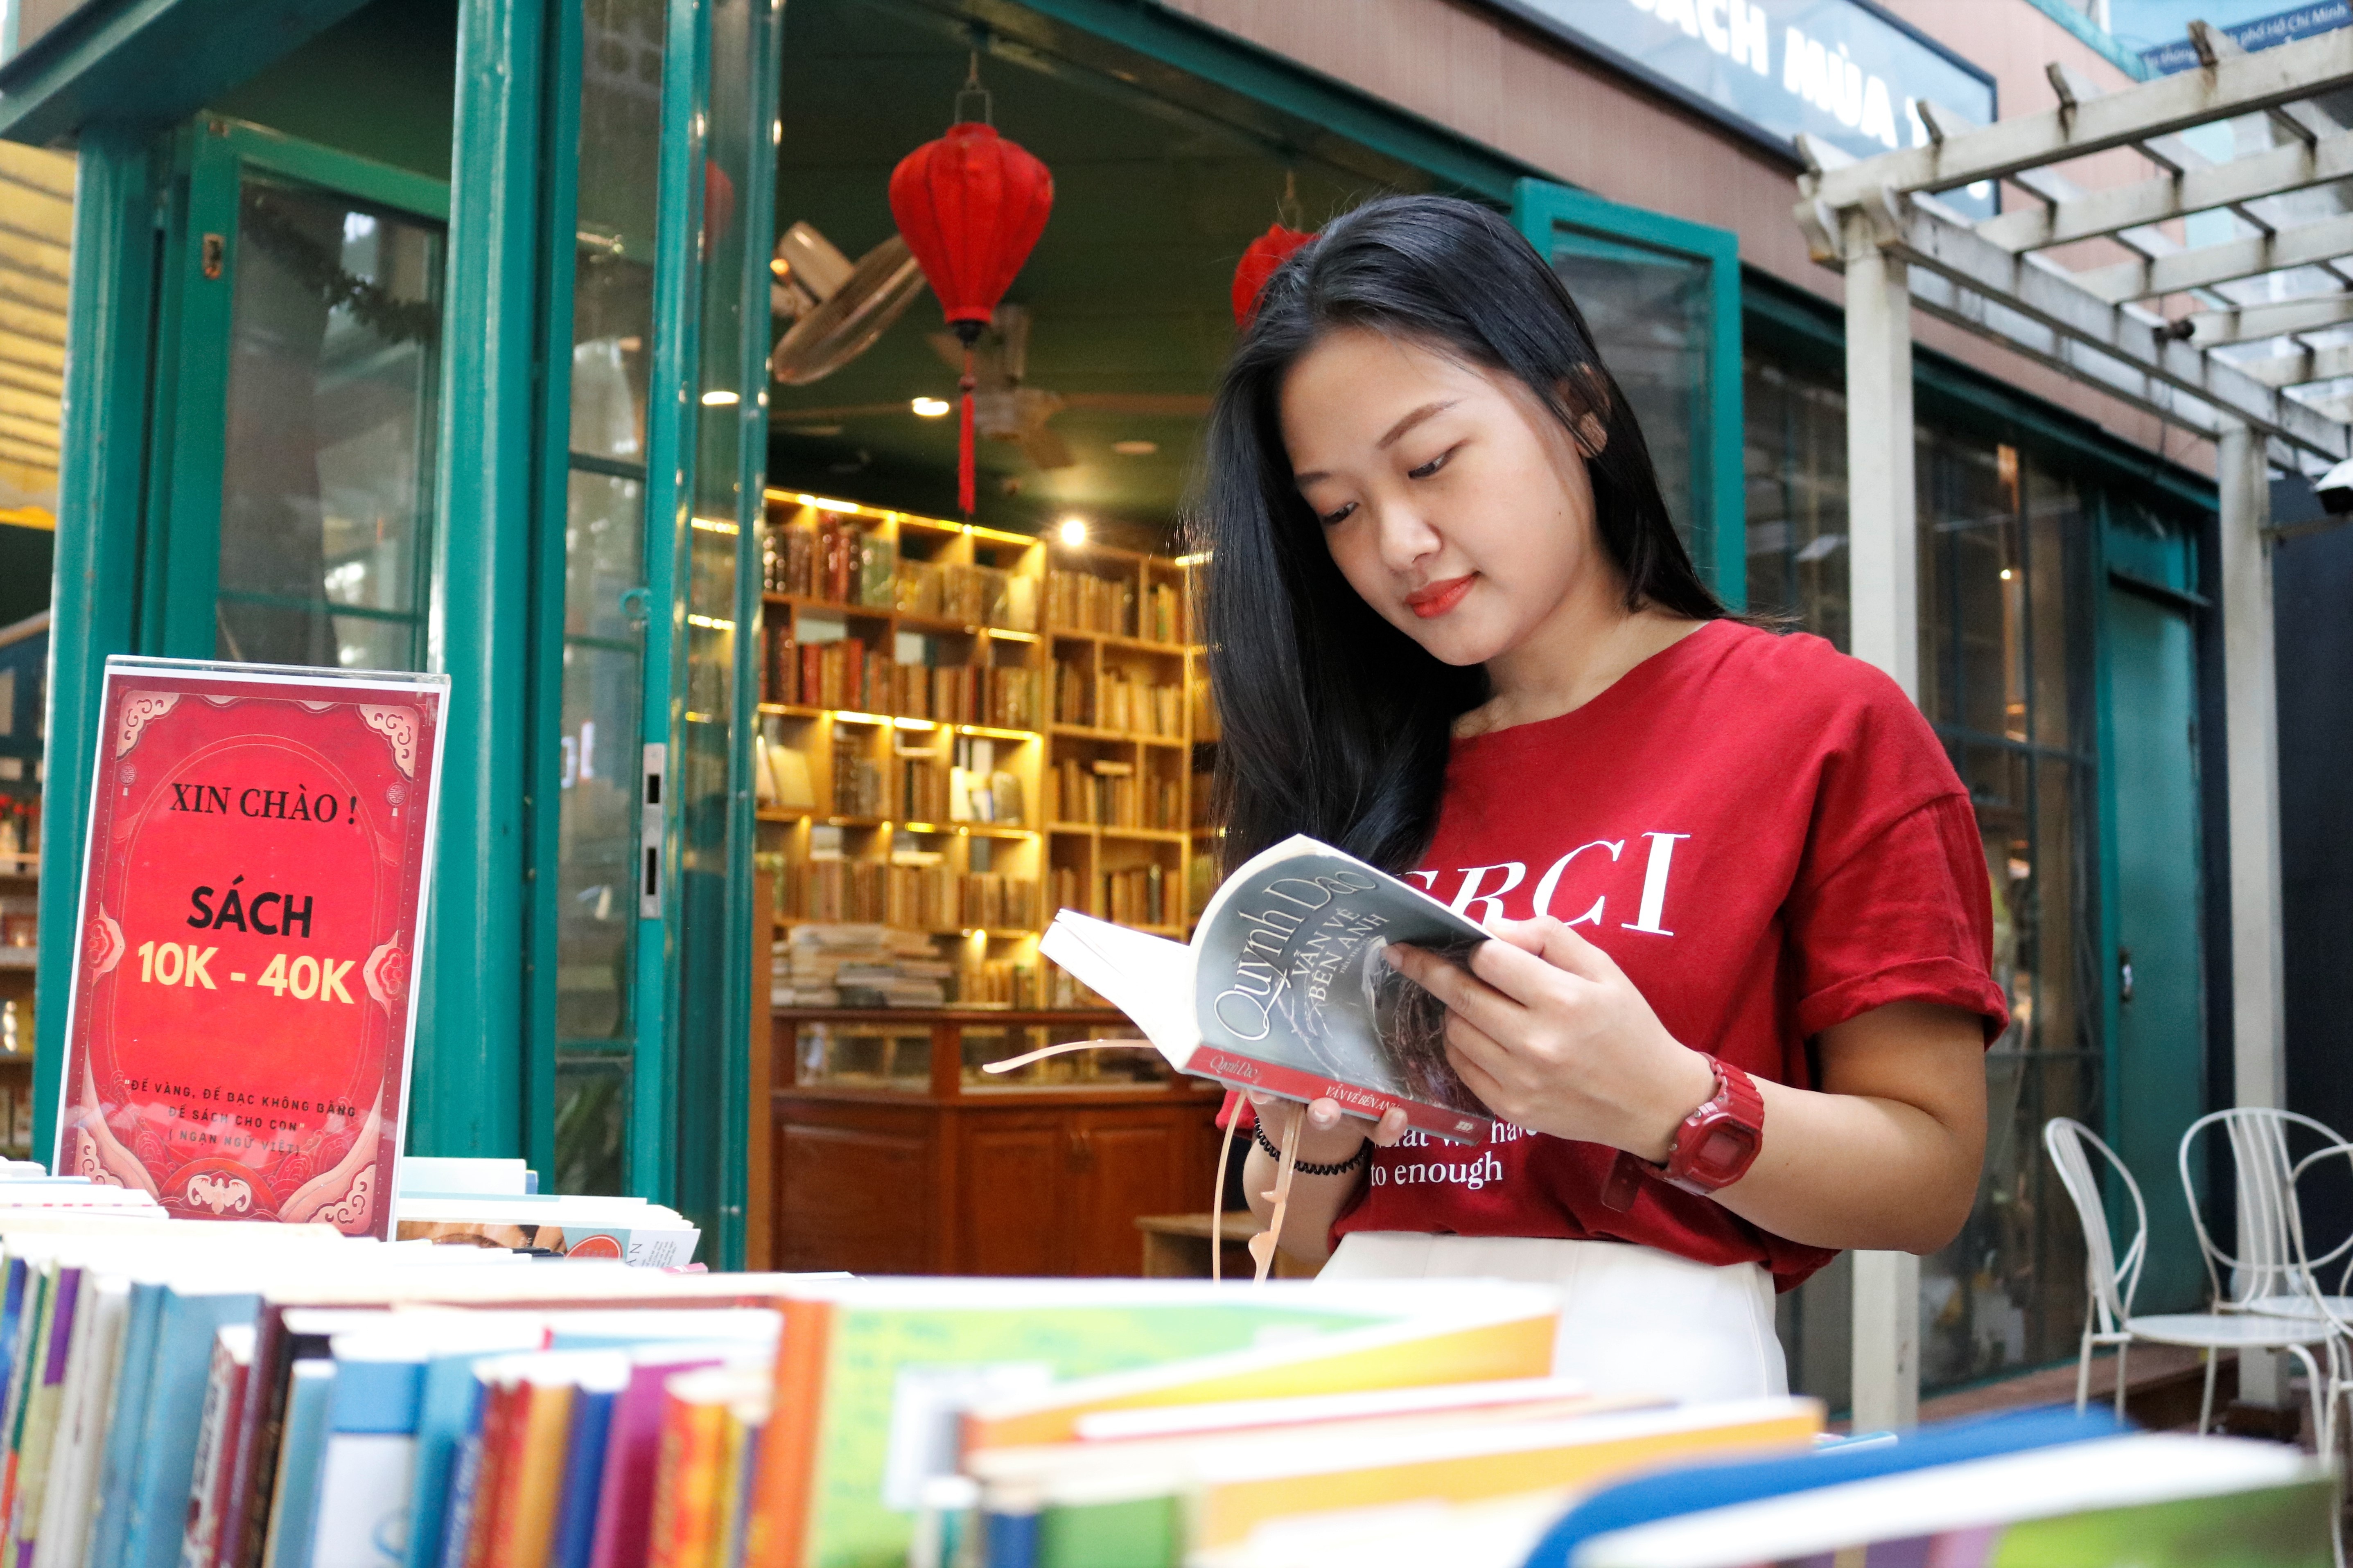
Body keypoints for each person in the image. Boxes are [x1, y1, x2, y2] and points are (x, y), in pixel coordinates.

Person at [1194, 194, 2006, 1403]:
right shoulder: (1354, 775)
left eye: (1429, 463)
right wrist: (1308, 1141)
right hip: (1358, 1387)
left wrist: (1670, 1102)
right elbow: (1292, 1246)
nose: (1400, 542)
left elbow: (1930, 1176)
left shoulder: (1811, 720)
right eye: (1339, 512)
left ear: (1578, 409)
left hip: (1646, 1382)